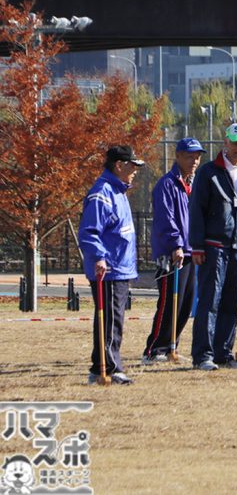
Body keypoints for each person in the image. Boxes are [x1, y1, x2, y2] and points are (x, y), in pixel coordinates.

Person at [189, 123, 237, 371]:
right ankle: (203, 355)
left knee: (232, 302)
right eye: (236, 143)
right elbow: (196, 212)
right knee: (209, 301)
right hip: (213, 246)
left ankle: (223, 352)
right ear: (226, 142)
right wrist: (197, 246)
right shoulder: (208, 172)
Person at [79, 145, 145, 385]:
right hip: (108, 269)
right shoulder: (102, 193)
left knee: (115, 319)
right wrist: (99, 257)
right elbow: (89, 231)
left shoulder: (118, 191)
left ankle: (102, 366)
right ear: (119, 165)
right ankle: (108, 367)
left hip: (120, 267)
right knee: (109, 320)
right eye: (132, 166)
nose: (135, 171)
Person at [142, 137, 205, 365]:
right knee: (170, 301)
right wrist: (175, 244)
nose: (194, 161)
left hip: (191, 251)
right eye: (190, 156)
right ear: (177, 156)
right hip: (171, 252)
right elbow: (165, 218)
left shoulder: (195, 183)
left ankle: (172, 345)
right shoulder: (167, 184)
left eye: (197, 156)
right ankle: (154, 348)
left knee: (186, 302)